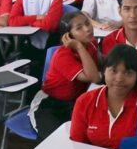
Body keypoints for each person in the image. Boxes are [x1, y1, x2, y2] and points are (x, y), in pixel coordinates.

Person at [30, 11, 101, 140]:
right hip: (49, 104)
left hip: (76, 103)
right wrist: (79, 47)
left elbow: (98, 69)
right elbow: (93, 77)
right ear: (68, 36)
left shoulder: (91, 44)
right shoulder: (63, 55)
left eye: (87, 23)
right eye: (79, 28)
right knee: (56, 141)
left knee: (87, 137)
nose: (87, 29)